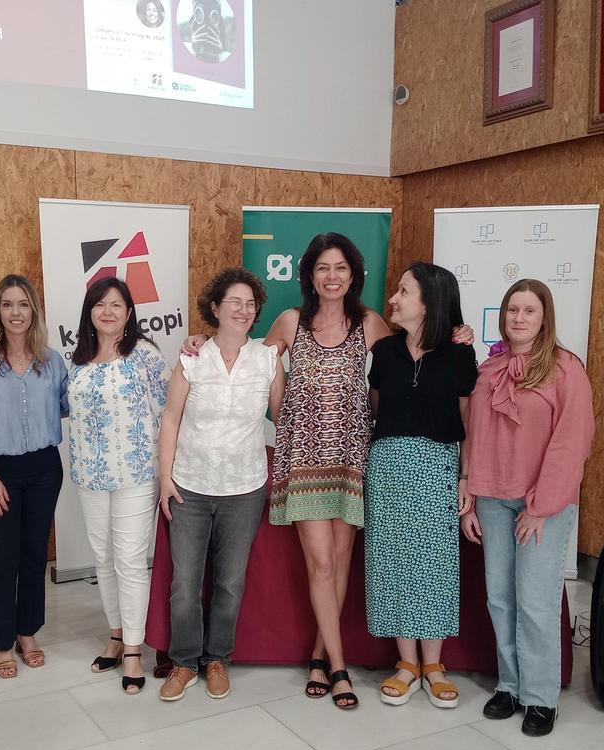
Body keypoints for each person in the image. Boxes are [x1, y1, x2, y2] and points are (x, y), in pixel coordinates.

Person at [184, 234, 474, 710]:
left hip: (356, 459)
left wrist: (457, 334)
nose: (332, 276)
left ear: (353, 274)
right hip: (303, 457)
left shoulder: (371, 323)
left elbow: (414, 355)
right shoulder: (290, 322)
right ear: (310, 275)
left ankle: (320, 652)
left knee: (338, 563)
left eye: (341, 267)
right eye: (323, 267)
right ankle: (339, 668)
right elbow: (248, 357)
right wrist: (201, 340)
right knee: (320, 563)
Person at [461, 278, 594, 737]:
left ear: (545, 317)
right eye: (512, 310)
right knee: (500, 597)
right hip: (493, 498)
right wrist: (470, 492)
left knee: (535, 601)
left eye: (529, 311)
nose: (519, 318)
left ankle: (540, 697)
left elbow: (570, 443)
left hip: (542, 504)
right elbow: (475, 434)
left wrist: (542, 506)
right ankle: (510, 685)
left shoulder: (566, 370)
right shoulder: (487, 370)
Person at [155, 267, 285, 701]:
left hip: (245, 489)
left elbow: (282, 421)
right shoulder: (192, 357)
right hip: (189, 486)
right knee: (184, 583)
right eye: (235, 302)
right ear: (215, 308)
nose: (244, 310)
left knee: (230, 582)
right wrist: (164, 479)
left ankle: (217, 659)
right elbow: (170, 419)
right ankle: (184, 662)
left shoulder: (267, 359)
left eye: (251, 304)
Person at [365, 263, 477, 708]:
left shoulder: (460, 353)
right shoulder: (386, 350)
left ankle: (433, 664)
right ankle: (406, 662)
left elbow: (468, 421)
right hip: (388, 465)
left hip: (437, 465)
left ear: (429, 302)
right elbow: (377, 410)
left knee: (434, 562)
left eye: (404, 291)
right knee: (391, 560)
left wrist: (466, 477)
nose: (393, 298)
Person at [0, 275, 67, 678]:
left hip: (44, 468)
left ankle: (27, 632)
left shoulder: (51, 361)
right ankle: (2, 642)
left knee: (34, 553)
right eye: (8, 305)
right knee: (5, 559)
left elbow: (70, 404)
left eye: (23, 305)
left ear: (33, 311)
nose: (16, 313)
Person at [68, 276, 169, 694]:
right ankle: (115, 632)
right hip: (89, 475)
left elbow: (169, 415)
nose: (107, 311)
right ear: (90, 312)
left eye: (117, 305)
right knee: (103, 558)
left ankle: (132, 650)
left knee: (129, 559)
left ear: (129, 313)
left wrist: (167, 473)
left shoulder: (145, 355)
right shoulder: (77, 360)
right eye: (100, 304)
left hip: (135, 475)